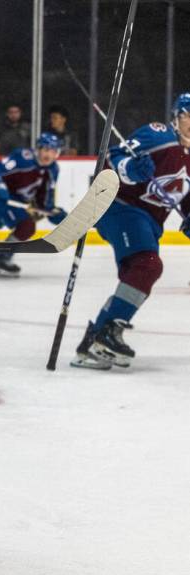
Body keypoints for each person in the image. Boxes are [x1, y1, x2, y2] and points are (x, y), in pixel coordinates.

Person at [72, 93, 190, 370]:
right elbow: (112, 158)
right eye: (189, 116)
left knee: (137, 275)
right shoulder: (159, 135)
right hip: (118, 206)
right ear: (177, 117)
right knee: (147, 265)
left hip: (149, 221)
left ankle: (92, 344)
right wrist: (130, 170)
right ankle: (108, 334)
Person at [0, 132, 67, 278]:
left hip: (17, 201)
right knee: (26, 226)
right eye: (46, 149)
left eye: (53, 151)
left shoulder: (53, 169)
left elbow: (44, 196)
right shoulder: (23, 158)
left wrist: (50, 210)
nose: (49, 154)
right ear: (39, 149)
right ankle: (2, 259)